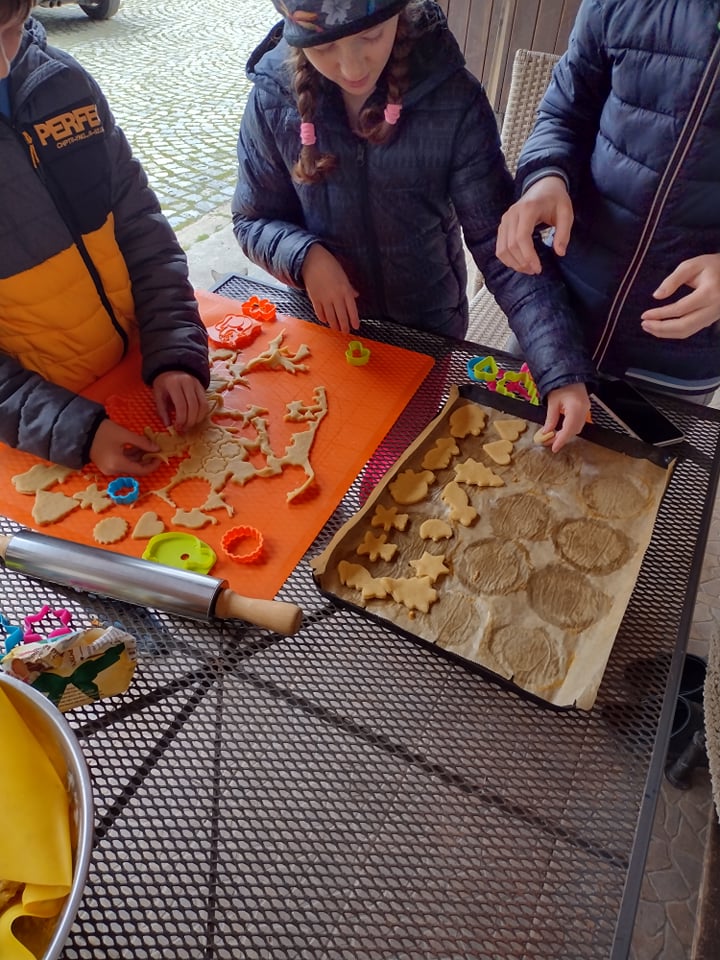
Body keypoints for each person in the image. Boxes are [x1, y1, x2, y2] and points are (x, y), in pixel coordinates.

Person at [232, 0, 596, 449]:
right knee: (326, 449)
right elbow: (251, 218)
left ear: (397, 16)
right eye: (325, 48)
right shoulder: (272, 99)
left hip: (426, 335)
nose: (352, 68)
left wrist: (559, 369)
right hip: (323, 335)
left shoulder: (452, 99)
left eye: (370, 36)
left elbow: (501, 246)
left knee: (410, 454)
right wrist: (305, 257)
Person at [0, 0, 210, 475]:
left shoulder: (64, 84)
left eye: (10, 29)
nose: (2, 65)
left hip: (137, 368)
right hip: (37, 429)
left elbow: (141, 226)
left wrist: (174, 352)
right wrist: (78, 430)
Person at [496, 0, 720, 439]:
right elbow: (563, 113)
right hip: (556, 316)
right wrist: (546, 178)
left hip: (678, 360)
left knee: (645, 472)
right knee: (509, 448)